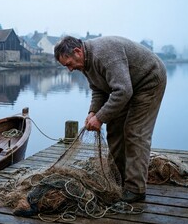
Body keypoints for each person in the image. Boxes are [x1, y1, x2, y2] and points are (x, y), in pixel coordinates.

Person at [54, 35, 167, 203]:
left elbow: (123, 91)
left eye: (69, 64)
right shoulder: (85, 63)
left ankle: (136, 189)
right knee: (114, 128)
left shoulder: (104, 55)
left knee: (134, 131)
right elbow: (99, 89)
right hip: (126, 86)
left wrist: (100, 118)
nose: (69, 69)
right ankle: (118, 180)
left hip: (148, 80)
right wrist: (93, 112)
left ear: (77, 52)